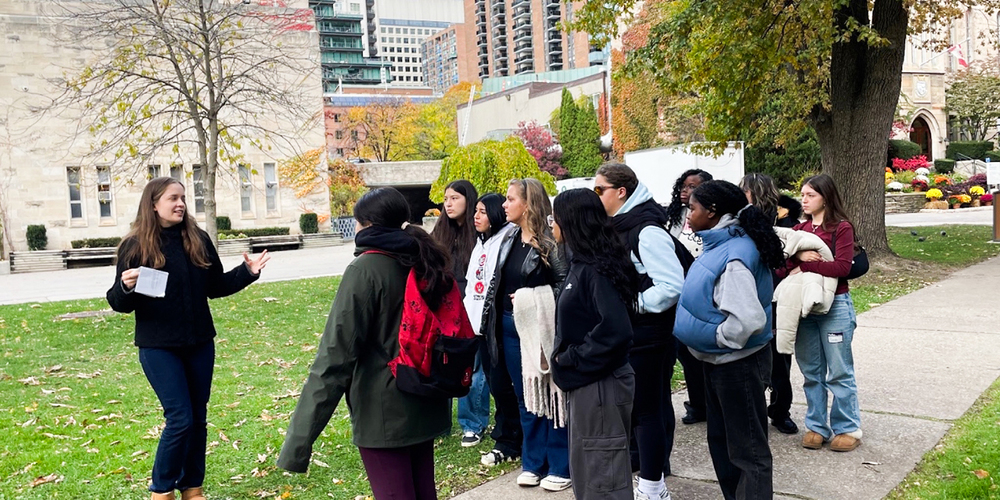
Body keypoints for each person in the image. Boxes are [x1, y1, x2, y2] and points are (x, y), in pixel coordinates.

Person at [277, 188, 455, 500]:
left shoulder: (365, 270)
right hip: (426, 396)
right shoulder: (423, 257)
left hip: (383, 410)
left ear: (368, 225)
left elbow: (334, 359)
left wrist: (297, 443)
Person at [106, 177, 269, 500]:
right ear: (154, 204)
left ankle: (192, 488)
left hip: (199, 344)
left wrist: (247, 272)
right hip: (159, 347)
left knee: (198, 419)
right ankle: (161, 491)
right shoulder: (135, 246)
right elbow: (118, 303)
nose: (180, 204)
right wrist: (126, 286)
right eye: (173, 198)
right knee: (180, 418)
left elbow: (215, 286)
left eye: (182, 198)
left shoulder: (198, 238)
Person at [673, 179, 785, 500]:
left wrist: (716, 338)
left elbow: (747, 320)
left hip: (737, 364)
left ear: (712, 211)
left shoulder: (734, 255)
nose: (688, 215)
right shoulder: (722, 245)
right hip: (719, 363)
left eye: (692, 208)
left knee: (748, 451)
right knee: (722, 442)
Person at [594, 163, 683, 499]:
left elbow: (672, 285)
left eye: (599, 189)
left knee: (648, 411)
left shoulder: (646, 230)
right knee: (639, 411)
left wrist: (633, 305)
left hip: (650, 336)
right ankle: (649, 478)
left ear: (621, 192)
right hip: (634, 333)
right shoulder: (621, 225)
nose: (595, 196)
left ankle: (653, 487)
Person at [480, 178, 571, 491]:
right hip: (509, 327)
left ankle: (560, 464)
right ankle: (533, 462)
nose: (504, 205)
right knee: (526, 397)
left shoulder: (551, 241)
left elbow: (565, 287)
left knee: (552, 394)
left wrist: (531, 298)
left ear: (528, 203)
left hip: (541, 327)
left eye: (510, 199)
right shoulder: (508, 238)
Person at [549, 188, 638, 500]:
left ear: (571, 221)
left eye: (554, 218)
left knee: (603, 481)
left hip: (601, 385)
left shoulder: (595, 269)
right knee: (588, 476)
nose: (552, 224)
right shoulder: (581, 263)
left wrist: (571, 358)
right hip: (587, 384)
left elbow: (616, 330)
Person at [776, 174, 862, 452]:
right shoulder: (798, 229)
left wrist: (806, 265)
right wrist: (799, 257)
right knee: (811, 371)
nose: (804, 199)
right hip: (804, 307)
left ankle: (847, 428)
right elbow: (781, 268)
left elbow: (842, 267)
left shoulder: (841, 228)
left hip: (835, 306)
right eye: (802, 194)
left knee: (839, 371)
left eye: (810, 195)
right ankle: (816, 426)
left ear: (826, 198)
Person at [740, 173, 800, 435]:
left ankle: (780, 410)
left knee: (780, 357)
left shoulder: (786, 221)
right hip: (748, 291)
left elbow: (794, 253)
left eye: (744, 190)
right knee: (750, 356)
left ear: (756, 192)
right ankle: (750, 411)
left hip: (778, 294)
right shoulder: (739, 219)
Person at [460, 193, 516, 448]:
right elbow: (473, 283)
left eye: (482, 212)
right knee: (487, 380)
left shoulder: (507, 238)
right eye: (476, 211)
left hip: (494, 323)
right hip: (474, 323)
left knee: (498, 382)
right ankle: (502, 430)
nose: (476, 216)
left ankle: (510, 432)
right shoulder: (480, 243)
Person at [431, 180, 483, 446]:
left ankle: (472, 423)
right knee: (441, 363)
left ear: (468, 200)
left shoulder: (479, 232)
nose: (448, 204)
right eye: (446, 199)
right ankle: (439, 421)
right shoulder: (440, 232)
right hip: (445, 308)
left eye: (454, 198)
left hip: (473, 307)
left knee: (473, 367)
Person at [664, 169, 713, 426]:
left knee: (702, 350)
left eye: (693, 186)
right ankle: (697, 404)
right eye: (683, 185)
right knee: (685, 352)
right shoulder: (674, 216)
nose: (686, 190)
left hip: (704, 286)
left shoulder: (710, 217)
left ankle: (710, 402)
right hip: (679, 287)